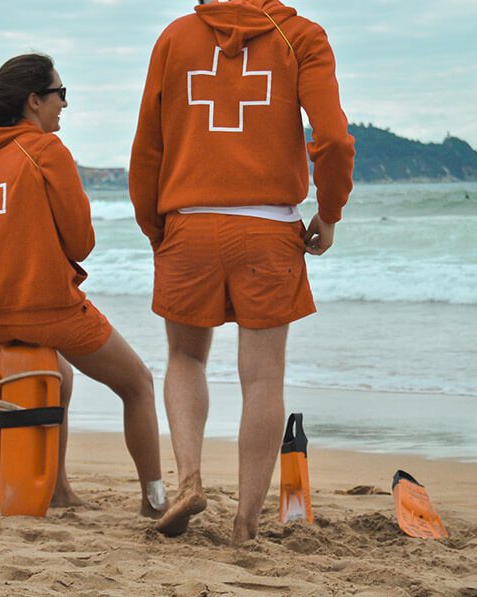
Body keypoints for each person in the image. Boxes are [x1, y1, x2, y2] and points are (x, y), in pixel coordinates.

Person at [130, 0, 354, 542]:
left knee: (185, 357)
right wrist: (328, 213)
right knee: (262, 378)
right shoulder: (301, 35)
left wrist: (153, 224)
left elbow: (148, 143)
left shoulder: (176, 37)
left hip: (189, 222)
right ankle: (245, 524)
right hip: (268, 228)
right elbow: (334, 140)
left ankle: (188, 482)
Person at [0, 54, 166, 515]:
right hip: (46, 309)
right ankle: (154, 499)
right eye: (60, 94)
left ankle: (58, 489)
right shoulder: (46, 150)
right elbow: (82, 242)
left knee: (61, 376)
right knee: (138, 385)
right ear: (34, 100)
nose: (65, 105)